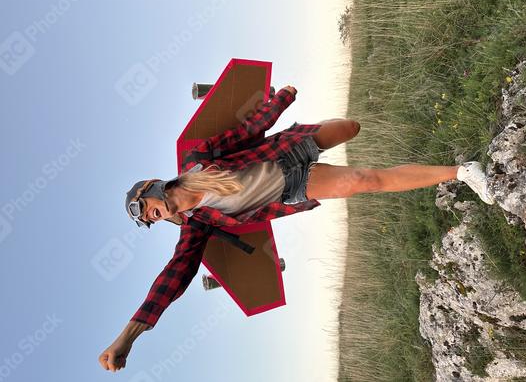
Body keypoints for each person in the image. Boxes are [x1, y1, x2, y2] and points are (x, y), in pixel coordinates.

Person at [98, 85, 494, 372]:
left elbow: (246, 133)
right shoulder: (198, 226)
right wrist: (127, 337)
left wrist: (279, 101)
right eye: (147, 219)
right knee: (367, 180)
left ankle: (391, 129)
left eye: (144, 207)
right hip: (293, 187)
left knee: (349, 127)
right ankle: (462, 172)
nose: (151, 215)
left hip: (286, 149)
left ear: (151, 186)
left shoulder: (195, 158)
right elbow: (172, 278)